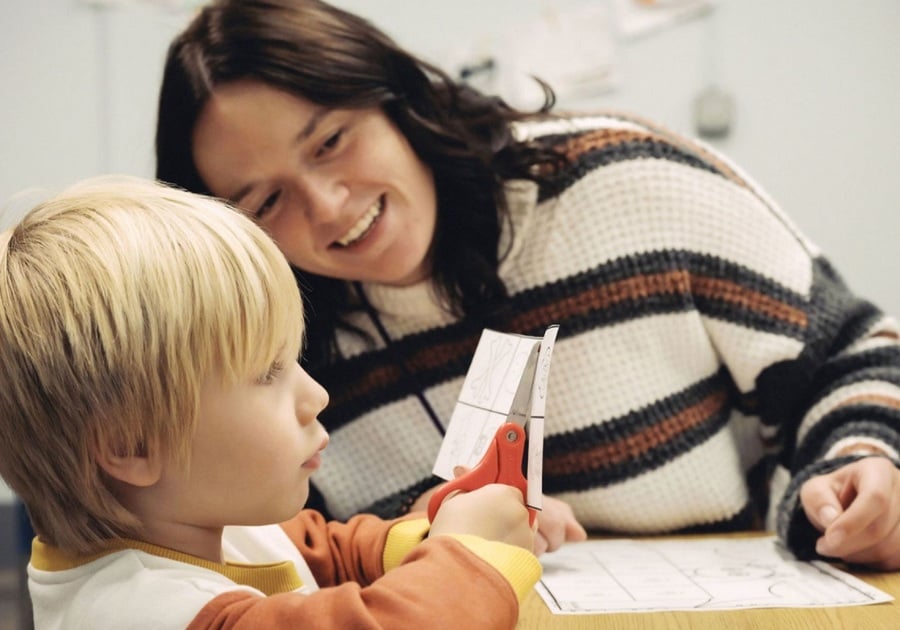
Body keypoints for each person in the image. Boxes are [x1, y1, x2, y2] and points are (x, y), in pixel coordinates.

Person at [155, 0, 900, 569]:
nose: (329, 208)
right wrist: (421, 533)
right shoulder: (274, 349)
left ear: (398, 100)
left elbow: (853, 352)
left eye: (331, 141)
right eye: (265, 202)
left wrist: (861, 464)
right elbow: (286, 548)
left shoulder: (624, 182)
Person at [0, 175, 541, 629]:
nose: (316, 395)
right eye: (268, 373)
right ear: (133, 444)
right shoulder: (134, 610)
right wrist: (470, 555)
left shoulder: (205, 522)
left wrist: (433, 530)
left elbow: (332, 552)